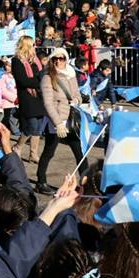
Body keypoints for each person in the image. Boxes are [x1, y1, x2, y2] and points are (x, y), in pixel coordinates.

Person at [35, 48, 83, 195]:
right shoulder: (47, 77)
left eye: (61, 58)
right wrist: (58, 123)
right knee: (49, 151)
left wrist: (75, 100)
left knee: (79, 152)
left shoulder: (71, 74)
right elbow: (48, 103)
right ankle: (41, 181)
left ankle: (87, 181)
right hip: (56, 121)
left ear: (66, 59)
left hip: (70, 119)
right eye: (55, 58)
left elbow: (77, 95)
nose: (58, 61)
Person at [11, 36, 45, 164]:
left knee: (38, 126)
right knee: (31, 126)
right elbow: (22, 80)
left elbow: (42, 74)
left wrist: (41, 82)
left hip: (39, 96)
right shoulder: (16, 61)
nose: (35, 46)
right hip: (27, 96)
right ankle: (18, 146)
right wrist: (38, 82)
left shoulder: (35, 60)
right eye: (32, 44)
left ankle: (33, 154)